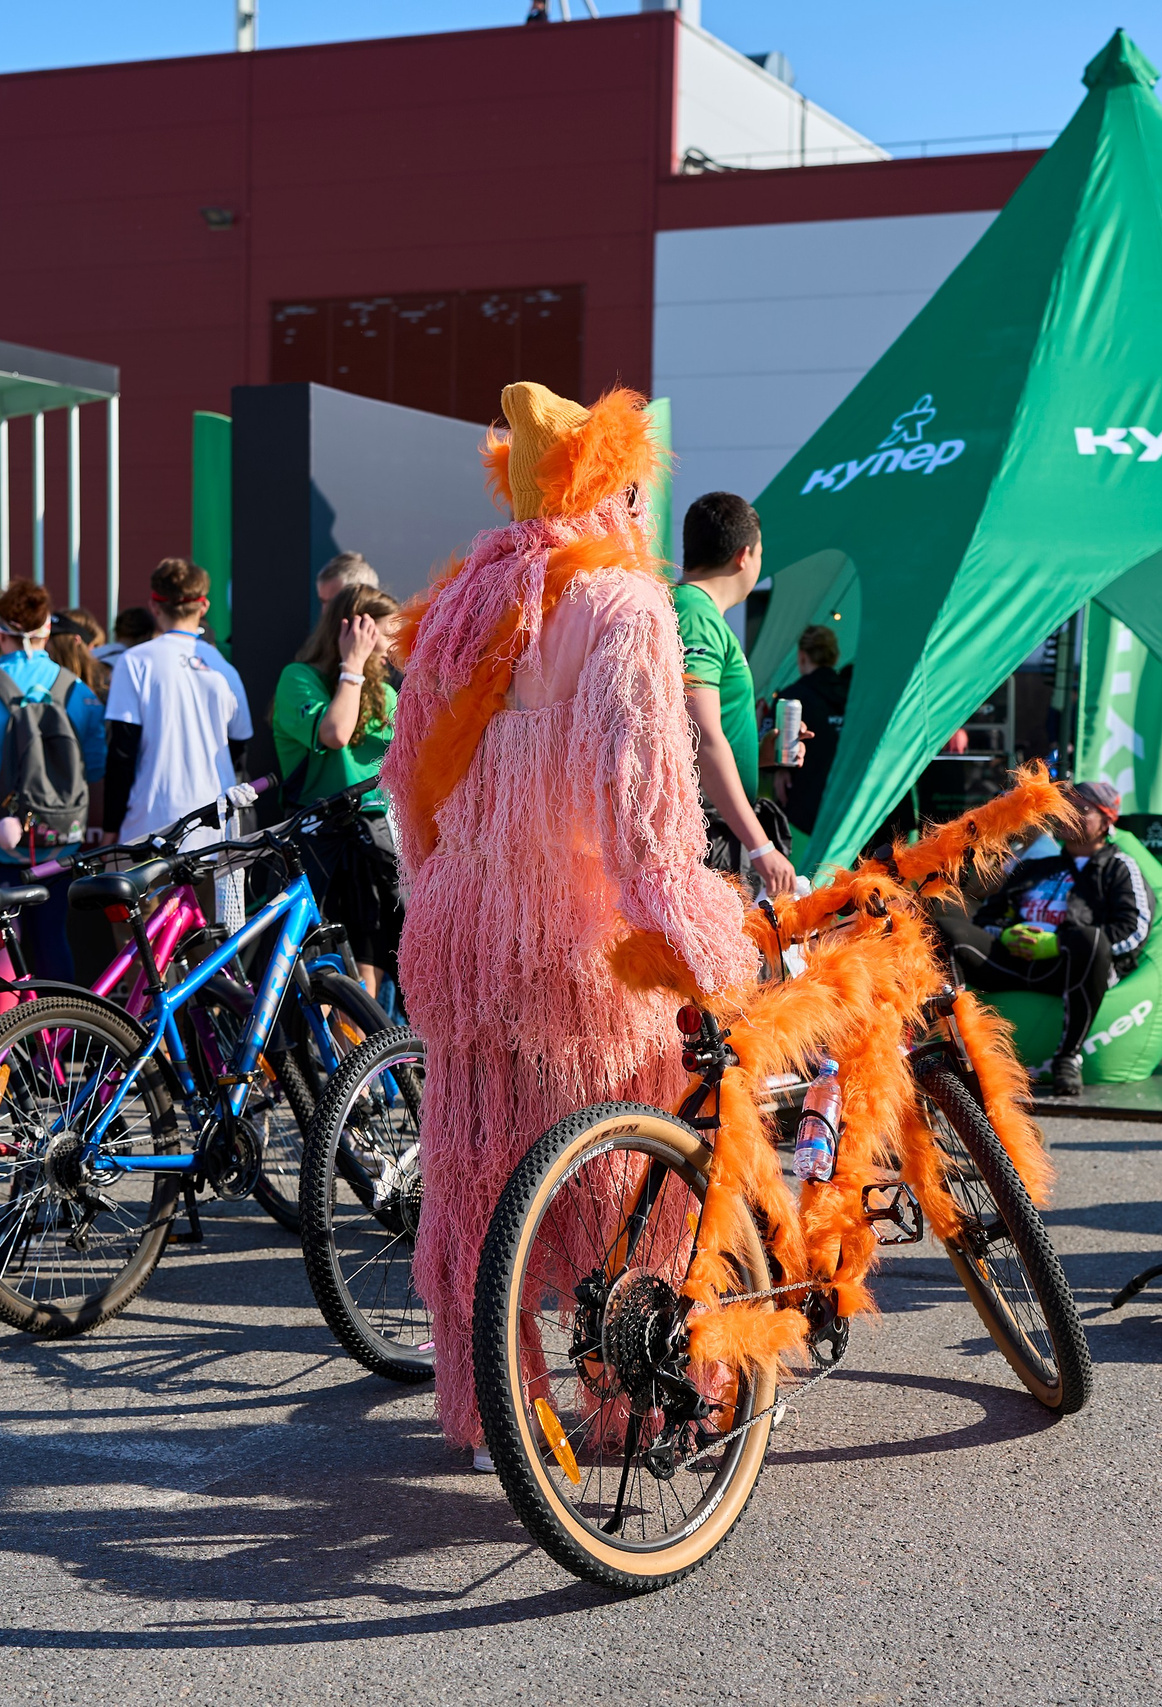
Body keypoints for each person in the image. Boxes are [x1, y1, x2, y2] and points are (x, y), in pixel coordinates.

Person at [382, 382, 758, 1467]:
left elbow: (407, 789)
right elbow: (646, 812)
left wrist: (439, 891)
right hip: (581, 935)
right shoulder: (625, 606)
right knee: (630, 1183)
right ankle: (639, 1398)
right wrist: (696, 936)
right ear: (616, 484)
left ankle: (487, 1399)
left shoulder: (456, 607)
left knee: (471, 1176)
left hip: (461, 927)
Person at [931, 777, 1149, 1098]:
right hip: (1014, 961)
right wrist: (1006, 935)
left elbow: (1133, 932)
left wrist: (1056, 944)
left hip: (1067, 970)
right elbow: (988, 914)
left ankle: (1067, 1057)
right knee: (947, 929)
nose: (1070, 815)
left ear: (1106, 821)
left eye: (1082, 809)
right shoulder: (1037, 867)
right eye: (1067, 808)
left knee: (1091, 940)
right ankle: (957, 1049)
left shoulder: (1119, 868)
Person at [0, 579, 107, 984]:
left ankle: (2, 1044)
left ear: (0, 632)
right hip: (59, 839)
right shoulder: (77, 691)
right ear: (48, 629)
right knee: (52, 939)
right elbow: (96, 766)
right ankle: (59, 1039)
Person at [271, 583, 402, 995]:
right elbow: (336, 733)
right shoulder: (299, 678)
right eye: (384, 634)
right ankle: (324, 1057)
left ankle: (363, 1058)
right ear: (353, 631)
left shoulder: (384, 693)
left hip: (373, 840)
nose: (391, 648)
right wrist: (353, 666)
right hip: (318, 842)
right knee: (319, 965)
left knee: (370, 961)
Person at [676, 493, 799, 897]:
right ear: (744, 555)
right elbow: (702, 737)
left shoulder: (695, 611)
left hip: (711, 828)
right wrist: (760, 844)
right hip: (709, 835)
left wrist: (758, 755)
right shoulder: (695, 613)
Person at [102, 559, 255, 846]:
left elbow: (122, 753)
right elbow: (239, 750)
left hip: (150, 829)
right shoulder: (225, 670)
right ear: (204, 606)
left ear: (154, 606)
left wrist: (110, 826)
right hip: (215, 830)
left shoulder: (135, 661)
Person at [771, 624, 848, 847]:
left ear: (802, 656)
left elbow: (770, 746)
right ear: (835, 656)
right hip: (851, 805)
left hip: (803, 811)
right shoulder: (853, 694)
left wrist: (779, 768)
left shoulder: (791, 699)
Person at [50, 608, 113, 700]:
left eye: (52, 637)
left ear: (76, 641)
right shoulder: (45, 675)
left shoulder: (103, 681)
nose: (45, 642)